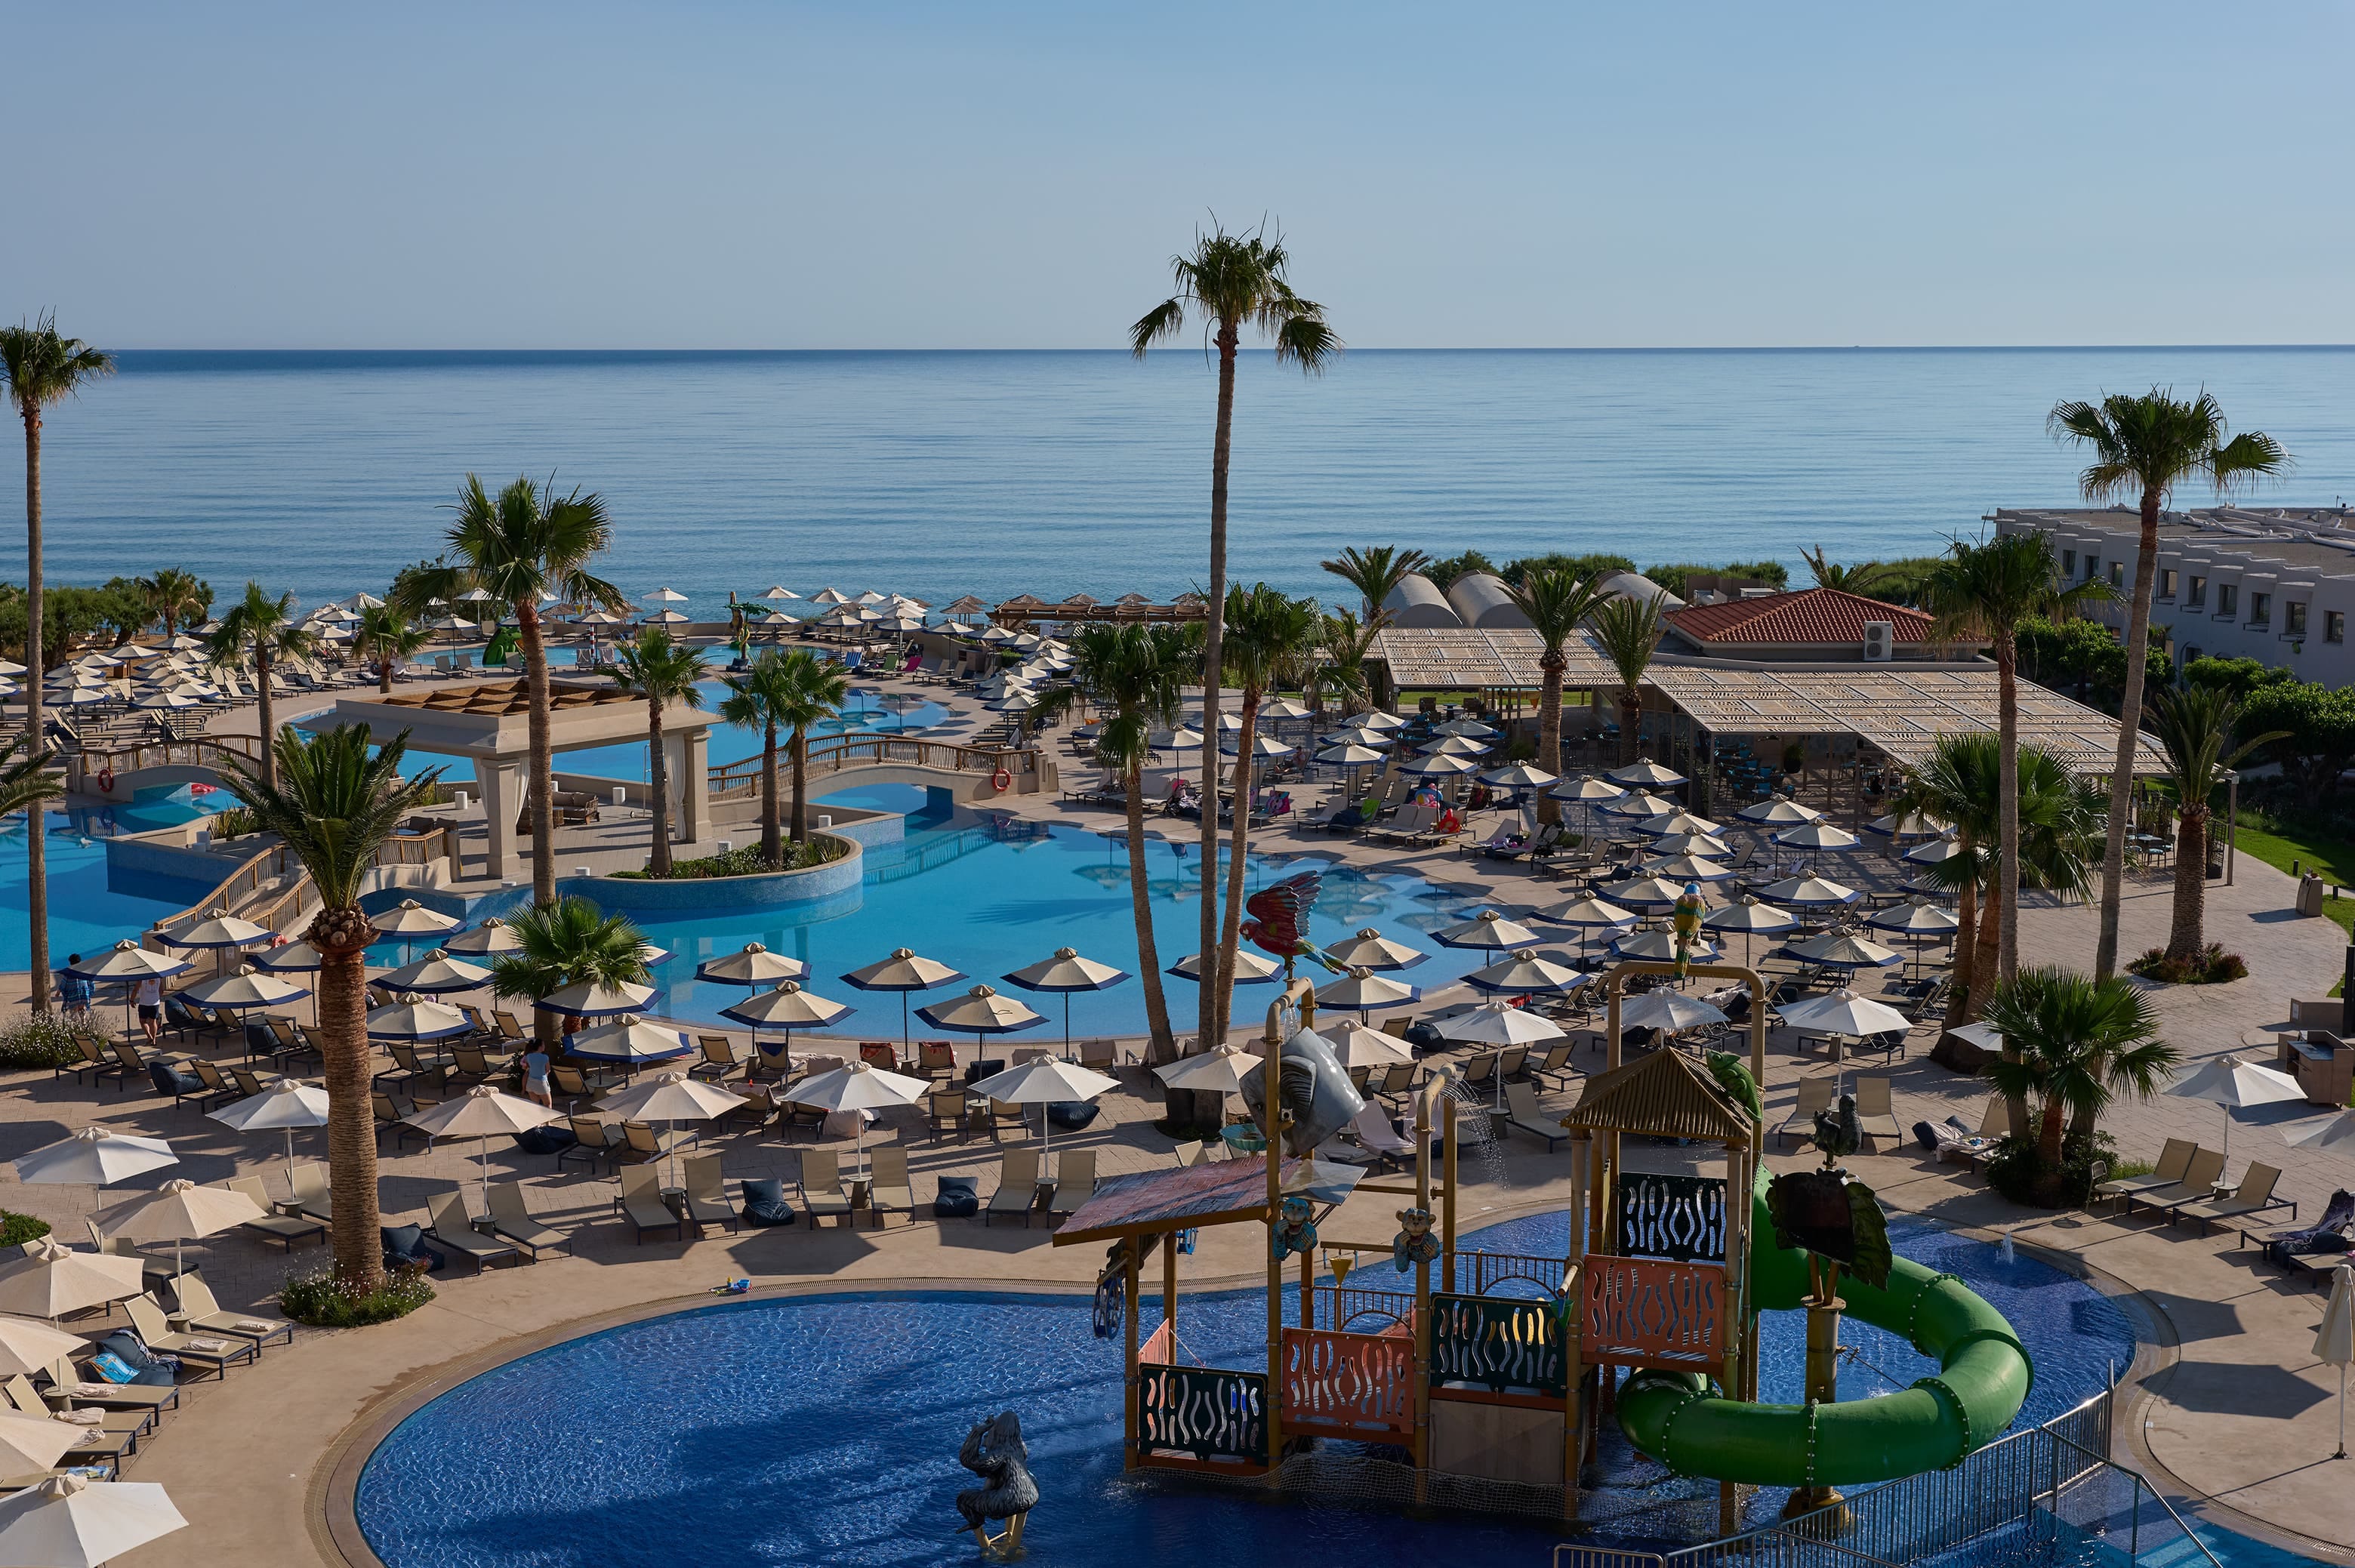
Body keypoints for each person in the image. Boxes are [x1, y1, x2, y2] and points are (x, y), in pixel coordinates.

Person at [132, 976, 163, 1046]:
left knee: (142, 1021)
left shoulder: (142, 977)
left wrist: (132, 1000)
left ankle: (149, 1037)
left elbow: (135, 989)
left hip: (144, 1003)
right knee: (153, 1022)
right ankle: (154, 1040)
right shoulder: (158, 977)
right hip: (155, 1003)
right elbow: (161, 991)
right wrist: (156, 997)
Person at [521, 1044, 552, 1108]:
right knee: (548, 1104)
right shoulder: (544, 1057)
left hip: (530, 1085)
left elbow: (524, 1068)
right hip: (541, 1083)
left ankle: (523, 1089)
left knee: (535, 1105)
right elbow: (548, 1070)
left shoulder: (528, 1057)